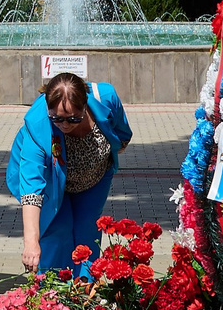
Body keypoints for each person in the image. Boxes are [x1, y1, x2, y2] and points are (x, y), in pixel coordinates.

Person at [7, 71, 134, 275]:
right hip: (51, 181)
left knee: (87, 232)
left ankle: (87, 293)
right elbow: (32, 188)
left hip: (95, 179)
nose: (65, 125)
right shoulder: (38, 123)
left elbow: (122, 131)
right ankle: (53, 293)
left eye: (74, 118)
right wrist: (30, 243)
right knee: (58, 231)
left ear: (86, 106)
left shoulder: (105, 97)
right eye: (57, 118)